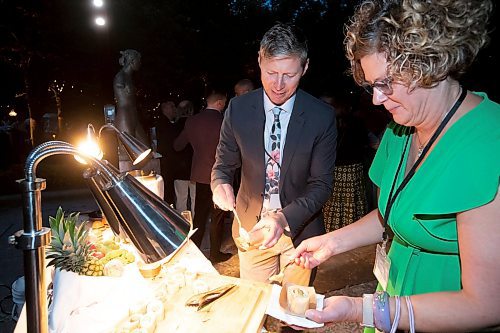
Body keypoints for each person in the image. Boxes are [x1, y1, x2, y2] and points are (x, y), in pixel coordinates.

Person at [291, 0, 500, 332]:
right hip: (392, 303)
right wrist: (332, 243)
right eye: (372, 85)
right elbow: (395, 213)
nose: (376, 99)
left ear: (430, 63)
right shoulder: (400, 128)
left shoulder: (489, 142)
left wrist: (361, 310)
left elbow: (486, 303)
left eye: (385, 82)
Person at [211, 23, 337, 286]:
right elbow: (224, 163)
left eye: (289, 75)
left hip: (300, 232)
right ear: (259, 60)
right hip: (252, 230)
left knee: (290, 314)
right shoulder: (238, 108)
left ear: (305, 68)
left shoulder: (321, 116)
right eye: (271, 73)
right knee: (256, 306)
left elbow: (321, 184)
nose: (278, 85)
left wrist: (283, 218)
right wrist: (219, 182)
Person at [174, 90, 230, 263]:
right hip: (221, 175)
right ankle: (215, 253)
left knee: (199, 215)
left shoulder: (192, 121)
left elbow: (178, 146)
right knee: (218, 217)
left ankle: (195, 253)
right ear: (220, 103)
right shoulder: (224, 122)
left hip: (200, 175)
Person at [320, 93, 368, 232]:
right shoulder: (356, 122)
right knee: (351, 203)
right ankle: (353, 233)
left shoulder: (326, 123)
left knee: (334, 204)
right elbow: (366, 142)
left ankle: (333, 232)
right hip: (352, 169)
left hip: (336, 168)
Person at [113, 49, 148, 171]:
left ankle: (139, 177)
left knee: (145, 150)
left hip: (133, 116)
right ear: (132, 61)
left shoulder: (129, 77)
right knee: (128, 154)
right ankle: (129, 180)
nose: (140, 63)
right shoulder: (120, 77)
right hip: (125, 117)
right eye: (139, 60)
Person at [174, 100, 196, 215]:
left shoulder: (174, 126)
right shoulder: (195, 125)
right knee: (195, 199)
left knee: (181, 199)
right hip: (194, 168)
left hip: (179, 168)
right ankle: (196, 227)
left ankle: (181, 227)